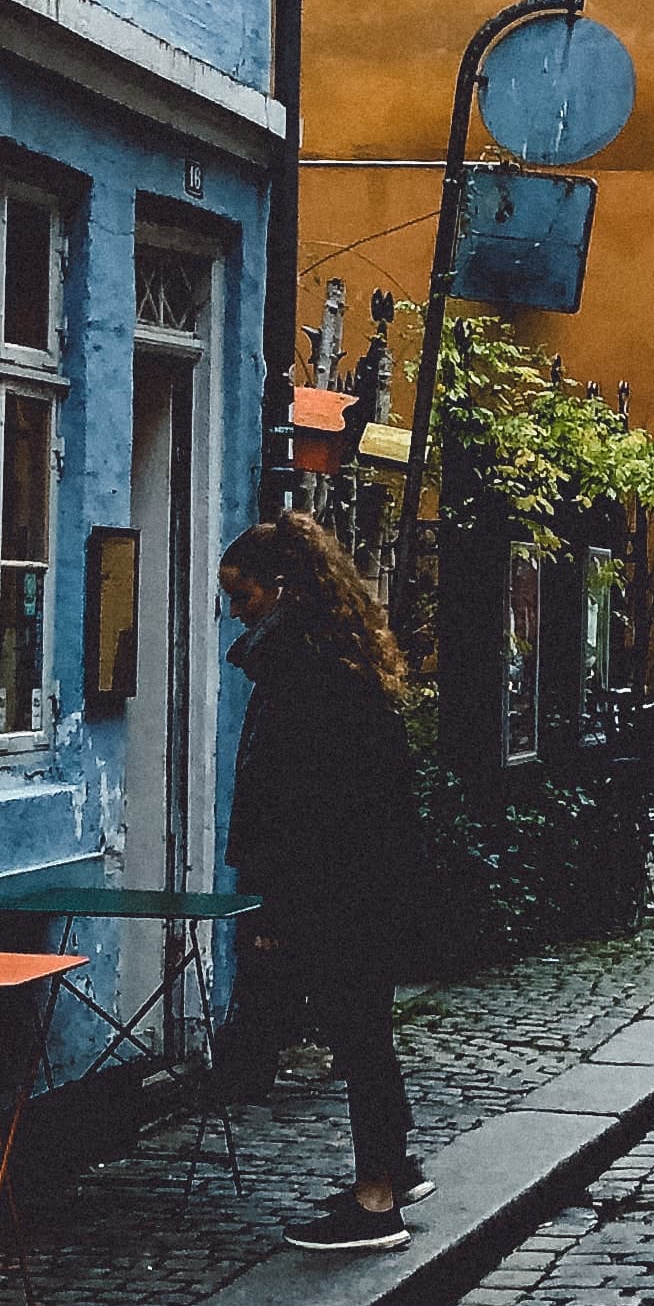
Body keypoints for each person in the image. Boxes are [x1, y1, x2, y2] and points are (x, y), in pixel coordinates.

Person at [213, 513, 425, 1254]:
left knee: (356, 1029)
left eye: (243, 599)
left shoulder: (302, 670)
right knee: (361, 1025)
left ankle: (375, 1205)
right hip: (369, 876)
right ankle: (396, 1168)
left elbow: (298, 800)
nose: (237, 614)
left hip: (339, 883)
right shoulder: (340, 658)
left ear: (282, 590)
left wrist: (278, 900)